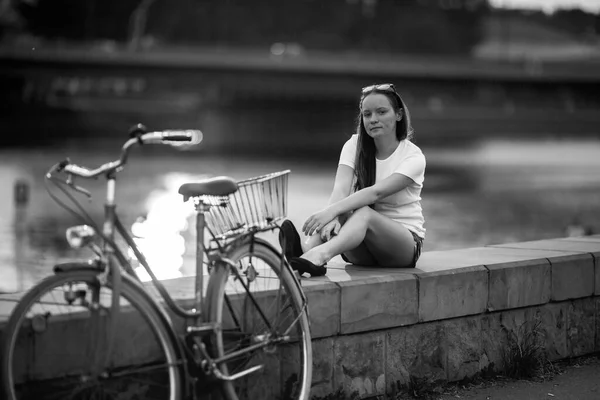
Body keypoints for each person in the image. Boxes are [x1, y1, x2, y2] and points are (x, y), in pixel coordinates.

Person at [279, 83, 426, 277]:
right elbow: (340, 189)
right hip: (362, 248)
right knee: (343, 212)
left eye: (381, 112)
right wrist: (333, 217)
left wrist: (330, 212)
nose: (373, 119)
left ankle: (319, 256)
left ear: (398, 115)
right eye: (367, 114)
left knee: (361, 212)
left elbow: (376, 192)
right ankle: (307, 252)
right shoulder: (354, 145)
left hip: (402, 247)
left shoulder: (413, 157)